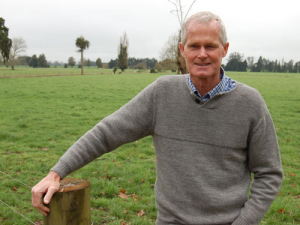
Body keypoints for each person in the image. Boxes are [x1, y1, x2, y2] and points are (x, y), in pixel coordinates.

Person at [32, 11, 283, 224]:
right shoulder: (162, 93)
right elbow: (107, 132)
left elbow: (269, 173)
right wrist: (56, 172)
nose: (202, 54)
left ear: (225, 49)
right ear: (183, 50)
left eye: (211, 46)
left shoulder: (250, 103)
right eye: (194, 46)